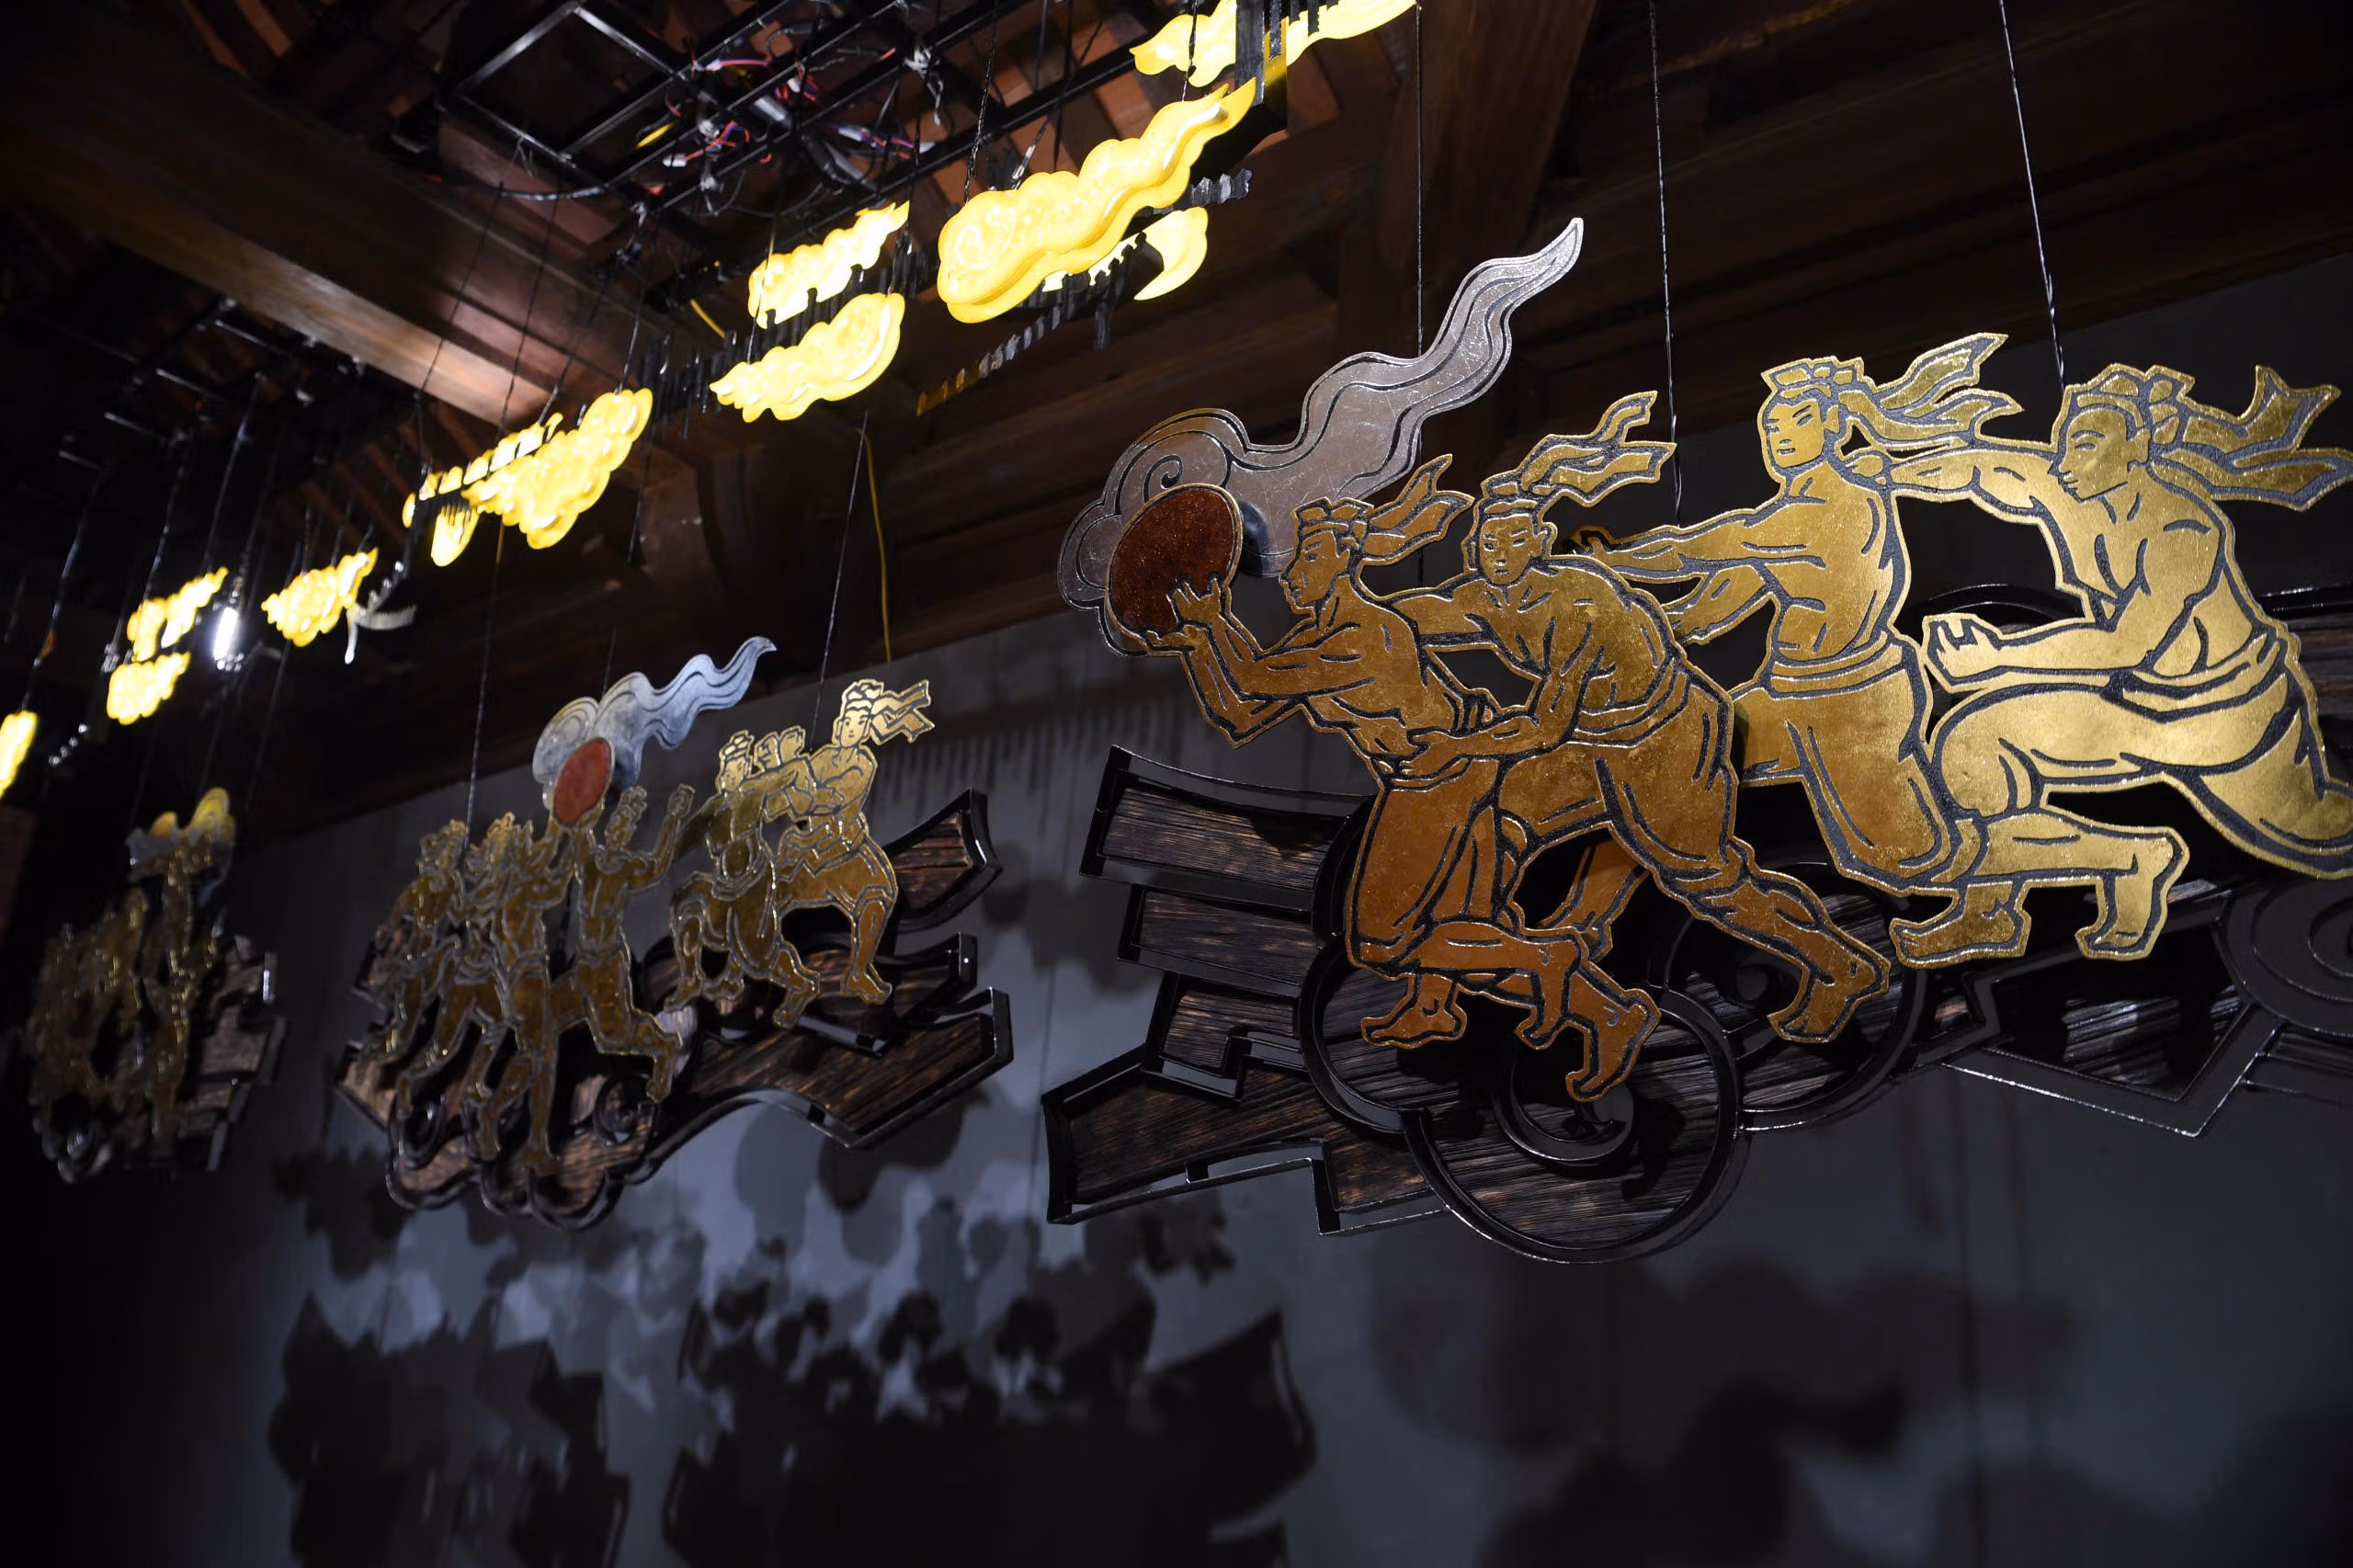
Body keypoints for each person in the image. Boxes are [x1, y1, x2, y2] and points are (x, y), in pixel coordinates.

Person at [1392, 418, 1889, 1096]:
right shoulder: (1484, 599)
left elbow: (1544, 724)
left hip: (1664, 739)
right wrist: (1342, 620)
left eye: (1512, 538)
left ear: (1539, 543)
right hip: (1592, 739)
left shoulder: (1578, 601)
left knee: (1706, 881)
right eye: (1487, 540)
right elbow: (1413, 615)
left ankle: (1836, 962)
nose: (1498, 551)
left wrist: (1458, 746)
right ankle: (1452, 990)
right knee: (1489, 822)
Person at [1886, 363, 2353, 962]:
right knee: (1975, 745)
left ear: (2135, 447)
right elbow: (1983, 467)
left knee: (2319, 828)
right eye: (2064, 444)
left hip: (2226, 718)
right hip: (2132, 704)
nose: (2062, 462)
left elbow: (2127, 644)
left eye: (2085, 443)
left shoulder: (2183, 529)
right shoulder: (2071, 486)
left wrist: (2000, 658)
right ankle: (2006, 907)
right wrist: (1883, 474)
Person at [1150, 461, 1596, 1054]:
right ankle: (1583, 1012)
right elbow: (1240, 713)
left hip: (1438, 775)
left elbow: (1254, 677)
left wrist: (1215, 624)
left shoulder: (1363, 637)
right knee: (1456, 933)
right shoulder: (1318, 637)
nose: (1292, 577)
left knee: (1379, 942)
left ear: (1342, 562)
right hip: (1445, 773)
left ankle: (1546, 957)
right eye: (1292, 563)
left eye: (1307, 560)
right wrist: (1200, 644)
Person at [1594, 338, 2014, 894]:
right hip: (1788, 693)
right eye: (1773, 426)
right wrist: (1648, 625)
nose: (1781, 435)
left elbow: (1690, 550)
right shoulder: (1781, 524)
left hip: (1853, 702)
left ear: (1833, 427)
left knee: (1914, 861)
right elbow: (1713, 603)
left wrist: (1610, 559)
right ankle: (1591, 916)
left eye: (1800, 420)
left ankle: (2051, 865)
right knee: (1676, 766)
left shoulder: (1823, 511)